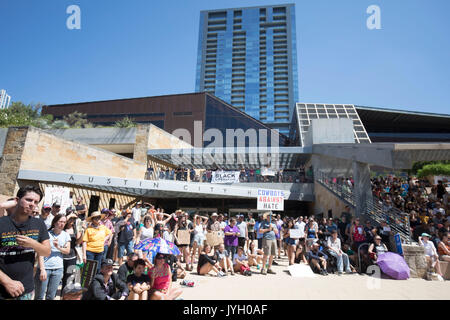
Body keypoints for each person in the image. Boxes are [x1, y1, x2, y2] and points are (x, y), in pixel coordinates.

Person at [0, 185, 51, 300]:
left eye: (36, 201)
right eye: (28, 199)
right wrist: (6, 282)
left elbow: (47, 252)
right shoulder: (2, 223)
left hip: (26, 290)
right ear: (17, 200)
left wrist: (32, 244)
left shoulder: (39, 224)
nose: (32, 204)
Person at [34, 214, 71, 300]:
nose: (62, 224)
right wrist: (42, 269)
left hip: (58, 268)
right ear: (54, 222)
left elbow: (67, 251)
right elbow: (40, 252)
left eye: (64, 222)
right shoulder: (46, 234)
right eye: (60, 221)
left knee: (51, 296)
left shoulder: (66, 235)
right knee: (39, 296)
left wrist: (58, 247)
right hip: (45, 268)